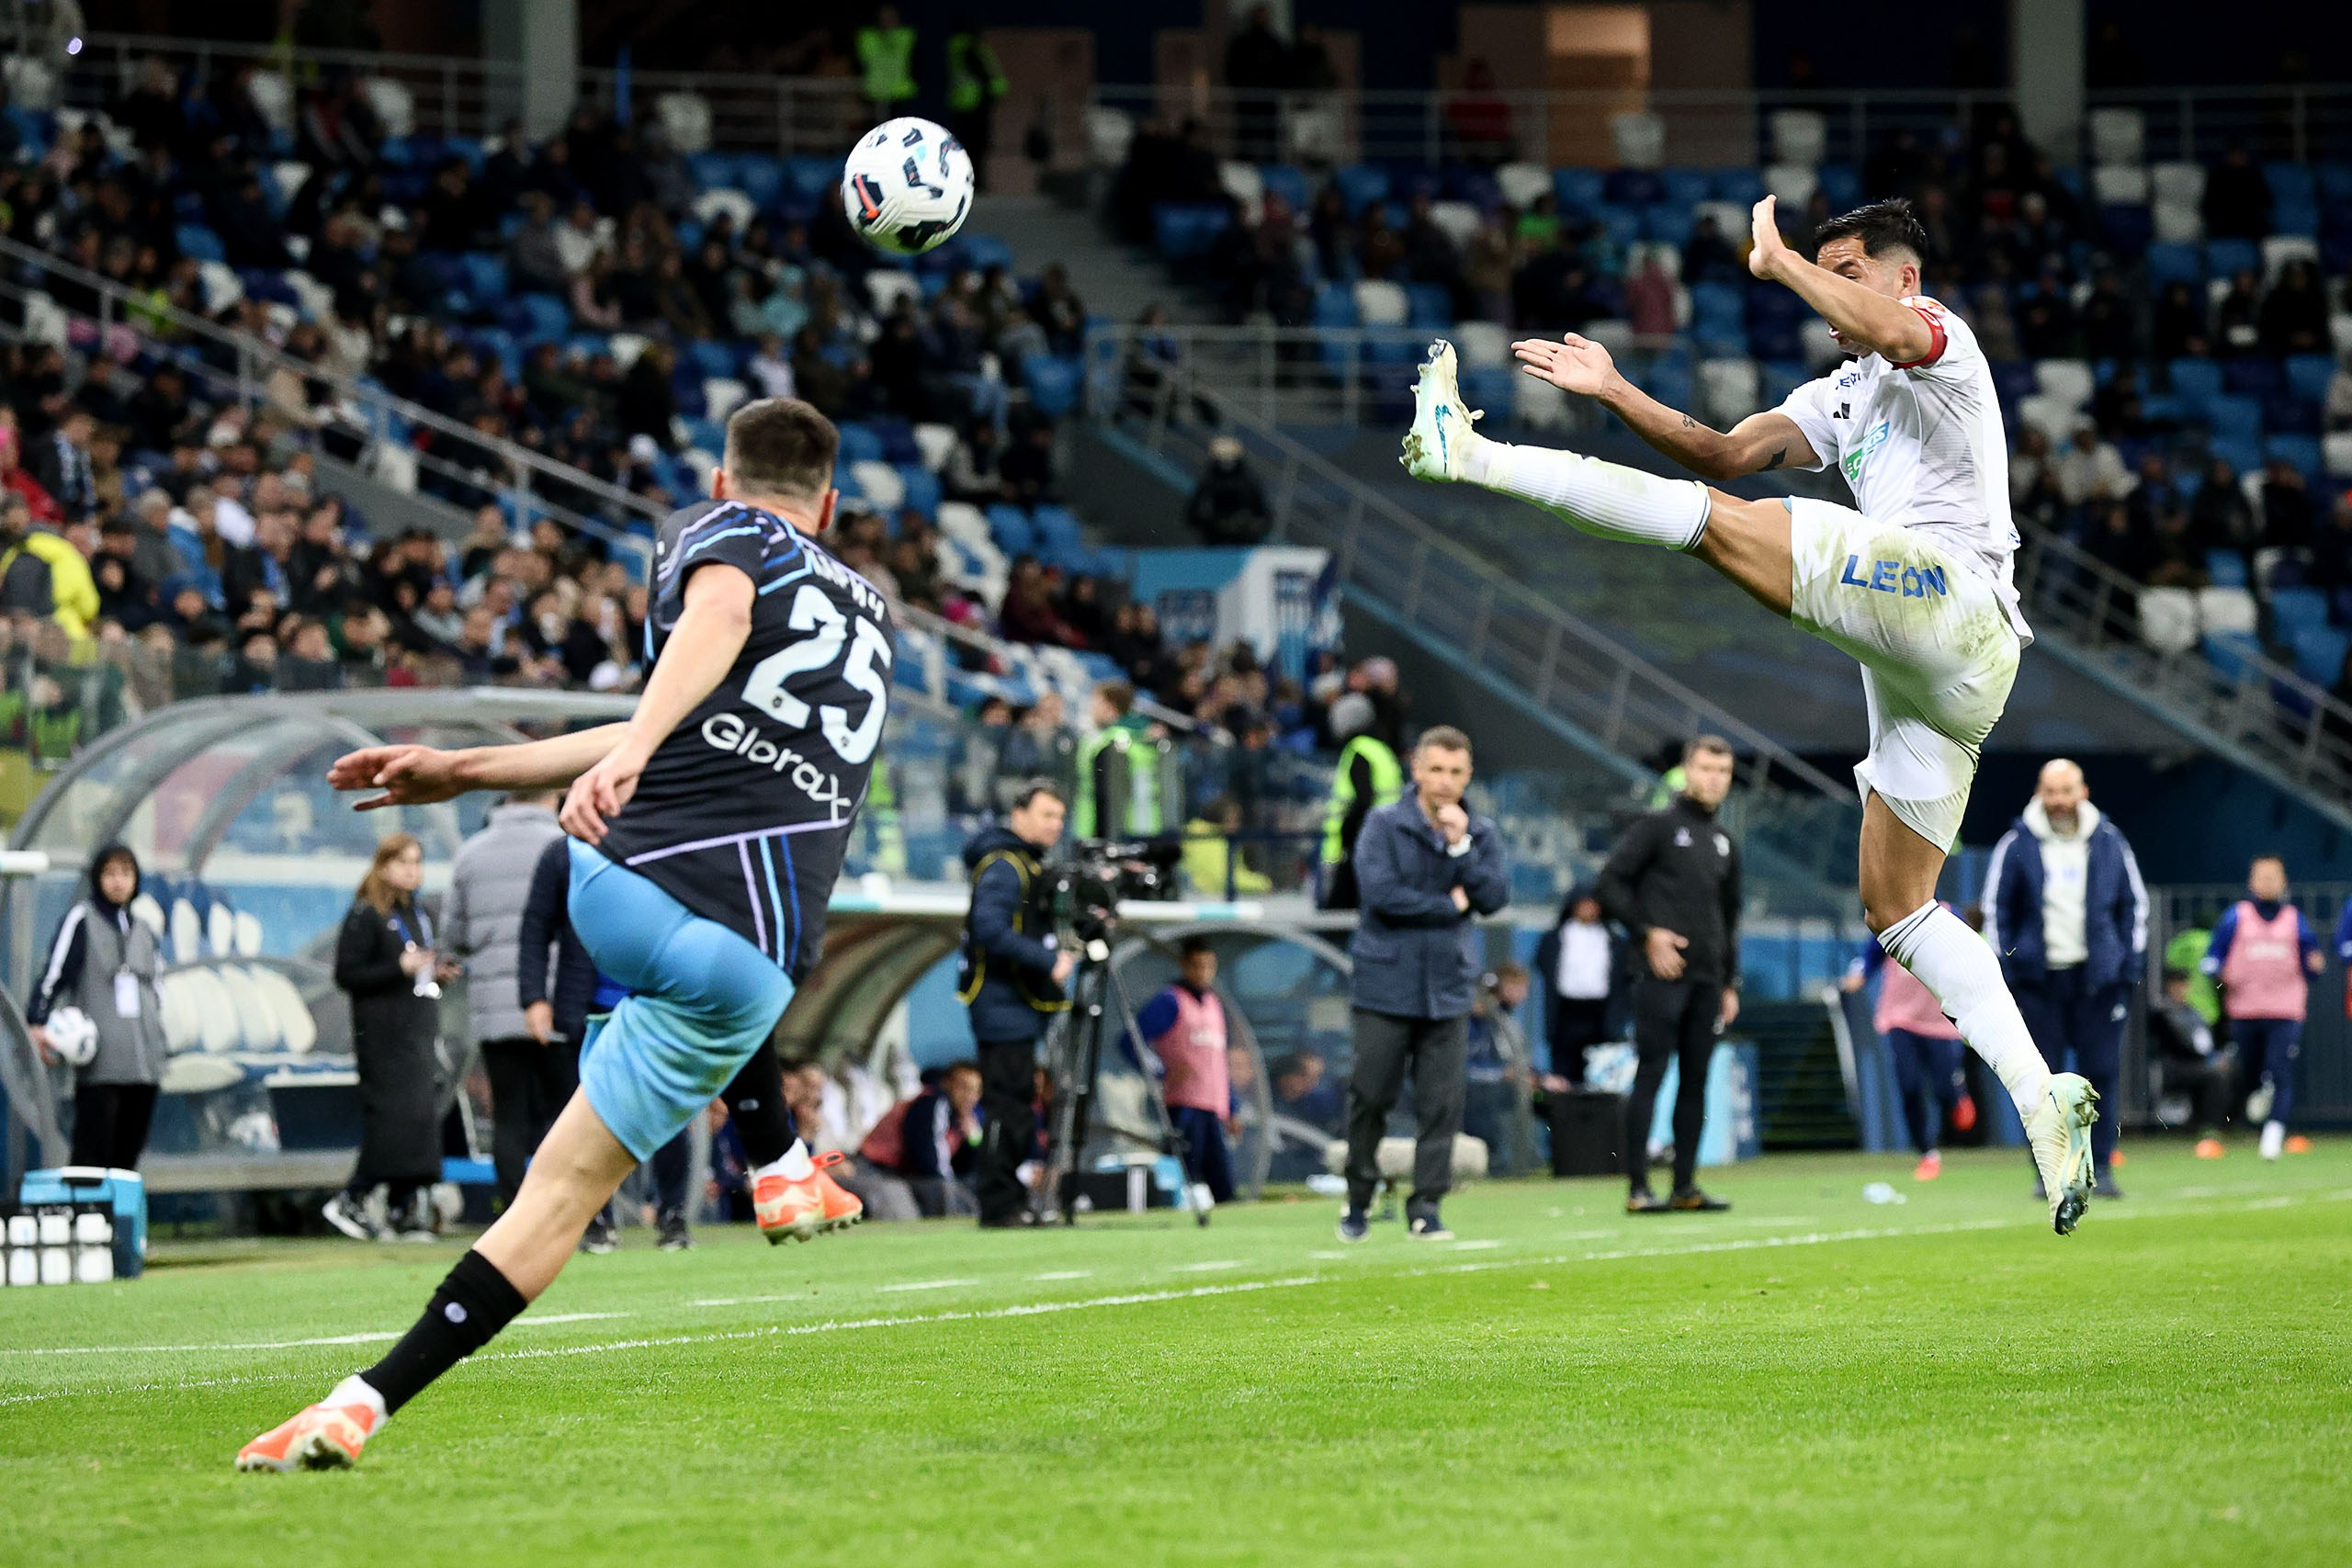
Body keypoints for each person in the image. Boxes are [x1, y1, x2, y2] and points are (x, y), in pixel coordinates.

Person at [1406, 195, 2103, 1234]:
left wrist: (1777, 261)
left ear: (1902, 278)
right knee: (1899, 907)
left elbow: (1881, 330)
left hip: (1952, 600)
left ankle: (1473, 456)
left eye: (1849, 269)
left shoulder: (1940, 341)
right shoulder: (1842, 394)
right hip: (1938, 674)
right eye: (1822, 272)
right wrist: (1614, 389)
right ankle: (2042, 1101)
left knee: (1719, 534)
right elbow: (1724, 450)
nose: (1833, 296)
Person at [240, 397, 882, 1472]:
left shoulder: (717, 531)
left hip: (626, 884)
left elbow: (711, 627)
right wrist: (478, 767)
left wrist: (586, 761)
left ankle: (358, 1400)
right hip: (752, 972)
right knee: (568, 1195)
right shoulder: (868, 612)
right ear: (827, 503)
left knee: (550, 1195)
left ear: (725, 484)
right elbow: (681, 702)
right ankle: (775, 1158)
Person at [1336, 727, 1510, 1243]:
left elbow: (1494, 896)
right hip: (1385, 984)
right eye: (1436, 769)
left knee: (1442, 1104)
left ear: (1468, 775)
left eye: (1455, 772)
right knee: (1371, 1095)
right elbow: (1382, 897)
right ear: (1416, 769)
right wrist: (1452, 904)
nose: (1445, 782)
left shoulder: (1480, 832)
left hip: (1449, 987)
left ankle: (1426, 1206)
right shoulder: (1383, 824)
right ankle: (1359, 1198)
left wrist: (1461, 851)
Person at [514, 833, 697, 1253]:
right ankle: (596, 1220)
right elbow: (536, 925)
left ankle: (672, 1215)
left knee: (669, 1114)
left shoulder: (668, 836)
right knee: (586, 1119)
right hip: (588, 1007)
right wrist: (533, 998)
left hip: (655, 1002)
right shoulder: (563, 853)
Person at [1984, 760, 2147, 1198]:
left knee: (2102, 1075)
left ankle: (2103, 1169)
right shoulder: (2015, 844)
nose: (2059, 800)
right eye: (2051, 792)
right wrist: (2010, 974)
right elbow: (1997, 912)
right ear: (2039, 793)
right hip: (2038, 985)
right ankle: (2048, 1174)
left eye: (2066, 790)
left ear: (2083, 791)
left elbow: (2134, 908)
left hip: (2097, 983)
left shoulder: (2111, 842)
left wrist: (2126, 969)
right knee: (2040, 1083)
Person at [1598, 737, 1744, 1213]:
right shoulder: (1657, 828)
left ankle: (1685, 1186)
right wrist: (1648, 934)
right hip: (1661, 975)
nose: (1713, 779)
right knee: (1652, 1074)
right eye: (1705, 768)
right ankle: (1638, 1187)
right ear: (1686, 771)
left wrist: (1729, 983)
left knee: (1697, 1080)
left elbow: (1729, 918)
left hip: (1706, 980)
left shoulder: (1725, 842)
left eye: (1722, 771)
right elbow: (1609, 884)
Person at [957, 779, 1076, 1226]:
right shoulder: (1005, 865)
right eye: (1047, 815)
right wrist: (1048, 960)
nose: (1055, 825)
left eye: (1060, 817)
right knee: (1009, 1104)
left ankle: (1009, 1199)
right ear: (1019, 814)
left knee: (1017, 1102)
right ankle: (1000, 1203)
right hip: (1003, 1003)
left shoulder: (1023, 862)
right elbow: (989, 927)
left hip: (1015, 1004)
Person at [325, 835, 453, 1246]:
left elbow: (417, 975)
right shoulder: (366, 915)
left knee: (419, 1118)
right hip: (381, 1036)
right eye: (402, 863)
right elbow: (347, 975)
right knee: (392, 1120)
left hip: (416, 1031)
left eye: (417, 862)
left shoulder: (417, 914)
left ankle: (403, 1209)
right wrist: (396, 966)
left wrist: (436, 976)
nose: (412, 871)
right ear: (382, 867)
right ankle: (353, 1196)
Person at [441, 789, 564, 1212]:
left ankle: (516, 1213)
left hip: (494, 1005)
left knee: (508, 1114)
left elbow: (453, 936)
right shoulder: (568, 843)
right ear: (555, 794)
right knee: (563, 1114)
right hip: (556, 1000)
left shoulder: (472, 853)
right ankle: (560, 1211)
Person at [27, 843, 167, 1170]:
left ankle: (120, 1218)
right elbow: (53, 975)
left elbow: (157, 990)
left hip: (143, 1066)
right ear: (98, 878)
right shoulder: (82, 920)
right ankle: (87, 1216)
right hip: (100, 1065)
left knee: (128, 1155)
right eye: (111, 873)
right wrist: (37, 1021)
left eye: (126, 874)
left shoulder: (144, 929)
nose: (119, 882)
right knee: (93, 1153)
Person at [2201, 855, 2324, 1162]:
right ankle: (2257, 1101)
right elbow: (2212, 957)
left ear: (2283, 882)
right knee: (2250, 1071)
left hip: (2285, 1011)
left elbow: (2313, 962)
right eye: (2261, 876)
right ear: (2251, 882)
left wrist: (2314, 964)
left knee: (2280, 1070)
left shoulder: (2295, 920)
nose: (2267, 883)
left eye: (2273, 877)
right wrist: (2220, 974)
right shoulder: (2236, 917)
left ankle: (2272, 1135)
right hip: (2245, 1012)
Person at [1841, 904, 1975, 1180]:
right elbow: (1873, 951)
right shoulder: (1894, 914)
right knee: (1909, 1084)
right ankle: (1928, 1153)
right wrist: (1860, 974)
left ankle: (1957, 1093)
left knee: (1942, 1088)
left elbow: (1970, 953)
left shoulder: (1950, 916)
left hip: (1939, 1020)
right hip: (1899, 1017)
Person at [1133, 939, 1237, 1203]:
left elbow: (1218, 1061)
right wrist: (1160, 1070)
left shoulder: (1214, 1002)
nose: (1202, 972)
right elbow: (1130, 1040)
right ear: (1184, 965)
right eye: (1196, 966)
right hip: (1184, 1105)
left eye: (1208, 966)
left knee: (1223, 1183)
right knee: (1181, 1177)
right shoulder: (1170, 1001)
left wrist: (1232, 1106)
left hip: (1213, 1106)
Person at [857, 1062, 985, 1216]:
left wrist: (973, 1140)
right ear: (946, 1084)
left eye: (975, 1091)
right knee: (946, 1192)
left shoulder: (964, 1119)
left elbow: (966, 1167)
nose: (969, 1096)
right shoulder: (931, 1103)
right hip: (873, 1168)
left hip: (900, 1174)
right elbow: (928, 1160)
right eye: (963, 1087)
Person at [1316, 691, 1403, 911]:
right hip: (1386, 843)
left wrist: (1347, 833)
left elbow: (1364, 799)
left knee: (1336, 921)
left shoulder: (1357, 750)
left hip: (1354, 849)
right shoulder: (1381, 749)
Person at [1531, 885, 1617, 1083]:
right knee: (1562, 1076)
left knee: (1599, 1077)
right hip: (1565, 1013)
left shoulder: (1613, 939)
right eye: (1583, 904)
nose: (1588, 909)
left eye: (1592, 904)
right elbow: (1543, 966)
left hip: (1600, 1015)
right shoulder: (1555, 938)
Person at [2146, 968, 2235, 1159]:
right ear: (2169, 986)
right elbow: (2179, 1044)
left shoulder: (2192, 1011)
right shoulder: (2162, 1011)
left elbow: (2206, 1042)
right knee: (2215, 1075)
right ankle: (2209, 1127)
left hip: (2199, 1064)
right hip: (2176, 1066)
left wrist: (2215, 1059)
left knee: (2232, 1072)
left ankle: (2224, 1124)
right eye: (2178, 985)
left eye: (2184, 985)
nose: (2181, 989)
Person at [944, 20, 1008, 193]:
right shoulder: (971, 49)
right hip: (975, 104)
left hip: (960, 102)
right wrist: (993, 93)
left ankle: (968, 181)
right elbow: (985, 75)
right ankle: (977, 183)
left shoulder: (954, 49)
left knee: (966, 147)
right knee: (977, 147)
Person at [1183, 435, 1272, 546]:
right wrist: (1211, 524)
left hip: (1243, 542)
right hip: (1214, 540)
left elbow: (1264, 515)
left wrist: (1248, 524)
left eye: (1230, 458)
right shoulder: (1209, 483)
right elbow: (1192, 514)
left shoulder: (1247, 483)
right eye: (1223, 458)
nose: (1226, 463)